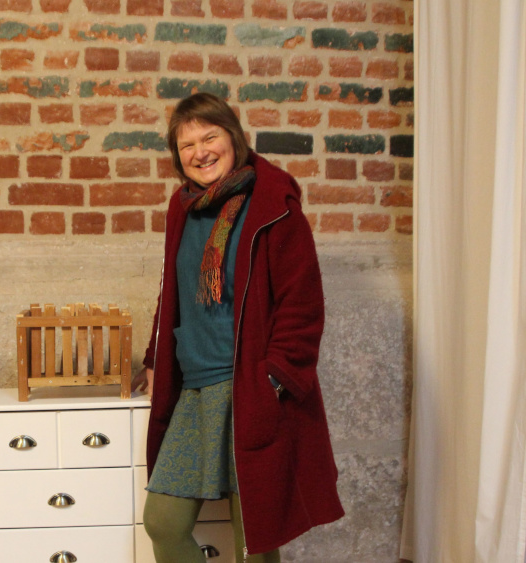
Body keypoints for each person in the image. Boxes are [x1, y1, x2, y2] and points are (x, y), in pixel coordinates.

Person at [132, 92, 344, 562]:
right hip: (195, 392)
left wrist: (273, 378)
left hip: (251, 390)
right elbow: (173, 291)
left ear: (234, 138)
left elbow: (302, 303)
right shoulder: (182, 208)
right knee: (163, 523)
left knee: (256, 539)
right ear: (176, 155)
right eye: (186, 145)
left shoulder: (272, 204)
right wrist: (155, 358)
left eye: (210, 137)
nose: (200, 152)